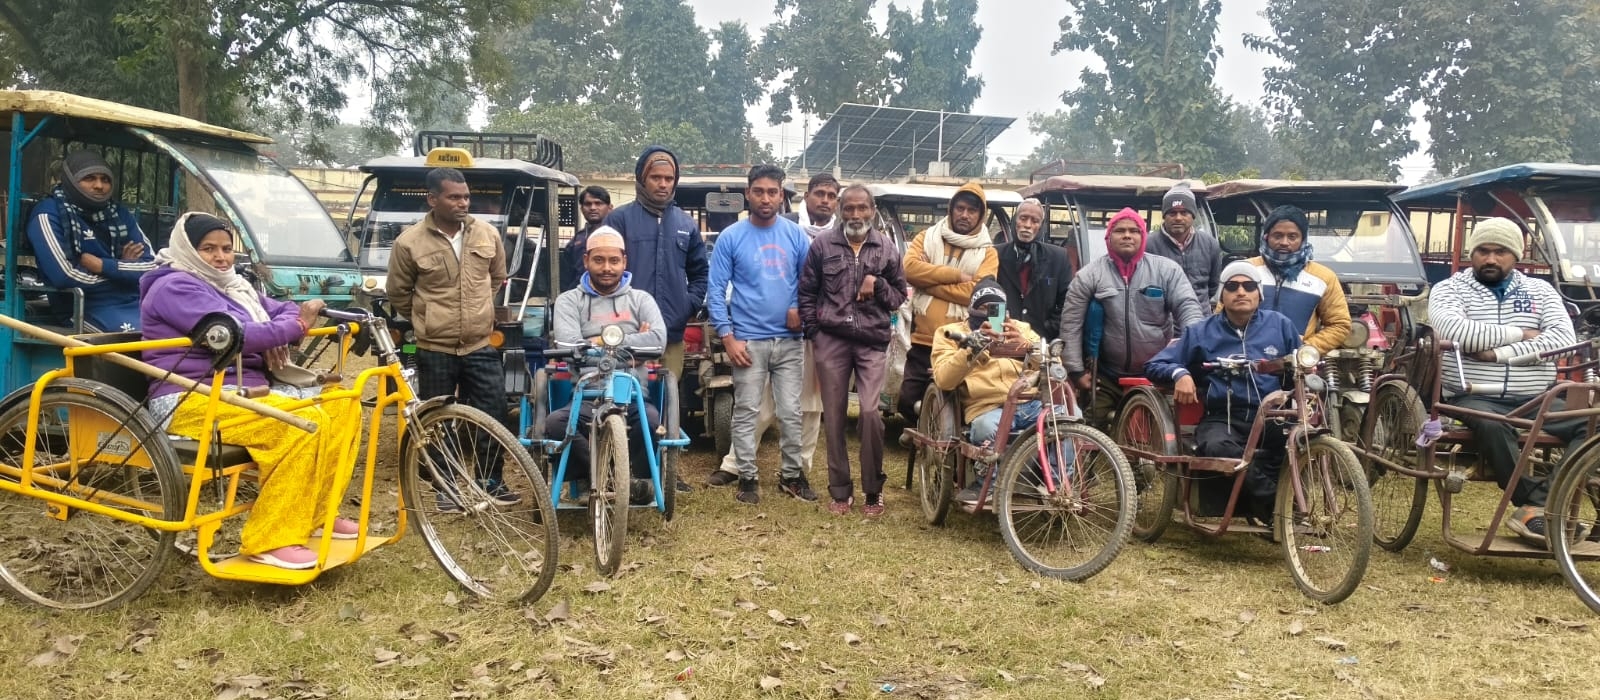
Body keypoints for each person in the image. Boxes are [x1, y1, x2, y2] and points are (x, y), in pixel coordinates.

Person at [140, 213, 360, 570]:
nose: (221, 257)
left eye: (227, 248)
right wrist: (294, 327)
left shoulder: (232, 285)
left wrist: (286, 324)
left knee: (342, 408)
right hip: (189, 397)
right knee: (297, 423)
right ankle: (270, 539)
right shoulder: (175, 286)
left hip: (242, 390)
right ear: (187, 250)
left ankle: (313, 514)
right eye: (208, 249)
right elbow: (236, 333)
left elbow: (283, 308)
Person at [1429, 217, 1585, 545]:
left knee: (1591, 423)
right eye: (1483, 251)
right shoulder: (1449, 289)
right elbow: (1454, 332)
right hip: (1472, 394)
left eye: (1500, 251)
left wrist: (1498, 354)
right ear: (1472, 254)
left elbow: (1562, 341)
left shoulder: (1540, 291)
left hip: (1533, 395)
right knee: (1493, 424)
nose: (1490, 259)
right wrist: (1524, 333)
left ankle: (1549, 500)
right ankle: (1535, 506)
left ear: (1516, 255)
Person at [385, 167, 518, 506]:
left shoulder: (487, 234)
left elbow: (496, 277)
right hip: (435, 346)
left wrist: (479, 310)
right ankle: (446, 487)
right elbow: (398, 293)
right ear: (433, 199)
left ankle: (490, 481)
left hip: (479, 344)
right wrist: (428, 316)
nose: (463, 203)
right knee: (438, 419)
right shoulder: (409, 242)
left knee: (494, 412)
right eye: (454, 197)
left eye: (466, 197)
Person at [705, 173, 836, 489]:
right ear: (748, 194)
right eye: (759, 192)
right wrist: (728, 337)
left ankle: (792, 476)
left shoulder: (794, 236)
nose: (766, 199)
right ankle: (746, 477)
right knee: (747, 410)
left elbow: (808, 281)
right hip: (748, 341)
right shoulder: (731, 237)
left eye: (773, 192)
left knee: (792, 411)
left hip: (790, 341)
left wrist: (796, 306)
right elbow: (716, 288)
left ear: (782, 197)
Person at [1145, 261, 1303, 518]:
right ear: (1222, 295)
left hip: (1271, 416)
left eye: (1249, 286)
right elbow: (1154, 364)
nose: (1241, 292)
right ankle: (1274, 504)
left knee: (1299, 439)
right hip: (1223, 418)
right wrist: (1180, 373)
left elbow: (1301, 365)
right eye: (1232, 286)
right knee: (1217, 447)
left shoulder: (1281, 325)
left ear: (1259, 293)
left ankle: (1268, 506)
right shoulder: (1200, 332)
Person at [797, 185, 907, 516]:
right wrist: (815, 333)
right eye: (849, 209)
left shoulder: (885, 248)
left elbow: (899, 296)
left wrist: (879, 284)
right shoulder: (822, 245)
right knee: (833, 417)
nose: (855, 215)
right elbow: (806, 293)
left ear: (872, 210)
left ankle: (873, 491)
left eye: (862, 208)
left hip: (872, 341)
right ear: (840, 211)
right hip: (831, 340)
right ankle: (840, 491)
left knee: (871, 414)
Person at [603, 146, 707, 493]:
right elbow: (603, 269)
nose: (663, 184)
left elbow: (700, 273)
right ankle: (618, 467)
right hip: (626, 334)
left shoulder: (685, 224)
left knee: (665, 400)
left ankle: (664, 470)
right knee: (625, 398)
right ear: (641, 179)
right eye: (656, 177)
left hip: (671, 334)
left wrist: (686, 306)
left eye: (669, 178)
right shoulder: (619, 220)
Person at [546, 227, 667, 506]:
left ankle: (639, 477)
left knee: (649, 422)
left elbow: (658, 341)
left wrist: (595, 341)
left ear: (625, 261)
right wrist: (632, 344)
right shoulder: (569, 301)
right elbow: (567, 345)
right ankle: (606, 475)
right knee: (555, 425)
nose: (607, 268)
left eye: (614, 261)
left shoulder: (641, 300)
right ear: (586, 260)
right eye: (599, 260)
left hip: (632, 392)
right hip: (587, 394)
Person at [1059, 207, 1203, 423]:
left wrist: (1191, 358)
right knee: (1091, 433)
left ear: (1143, 236)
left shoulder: (1167, 270)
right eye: (1120, 231)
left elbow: (1189, 309)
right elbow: (1070, 324)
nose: (1127, 235)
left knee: (1159, 436)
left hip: (1157, 372)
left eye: (1134, 231)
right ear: (1108, 237)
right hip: (1106, 375)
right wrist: (1076, 372)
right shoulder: (1089, 275)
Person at [929, 277, 1041, 505]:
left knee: (1070, 416)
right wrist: (971, 349)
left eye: (996, 309)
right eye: (982, 309)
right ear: (971, 309)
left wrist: (1028, 348)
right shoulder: (949, 333)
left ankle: (1059, 483)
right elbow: (944, 379)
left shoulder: (1021, 329)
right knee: (985, 427)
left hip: (1028, 401)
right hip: (986, 407)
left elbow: (1055, 362)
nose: (990, 315)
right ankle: (986, 484)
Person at [898, 182, 1000, 428]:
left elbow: (975, 294)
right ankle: (925, 433)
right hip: (922, 340)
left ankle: (937, 443)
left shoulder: (988, 252)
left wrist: (928, 283)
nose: (965, 215)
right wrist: (956, 275)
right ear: (951, 210)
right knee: (906, 399)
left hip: (961, 344)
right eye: (960, 208)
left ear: (980, 215)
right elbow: (908, 269)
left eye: (972, 211)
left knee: (957, 402)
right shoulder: (927, 237)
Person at [26, 150, 156, 332]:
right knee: (138, 340)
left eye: (105, 179)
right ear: (71, 181)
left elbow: (153, 267)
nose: (99, 186)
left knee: (178, 332)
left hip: (134, 300)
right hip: (83, 307)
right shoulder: (48, 214)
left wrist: (105, 266)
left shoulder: (119, 213)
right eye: (89, 179)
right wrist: (125, 272)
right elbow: (65, 276)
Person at [1246, 205, 1352, 354]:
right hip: (1247, 359)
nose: (1284, 242)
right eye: (1277, 235)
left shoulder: (1323, 277)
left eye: (1292, 236)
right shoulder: (1246, 270)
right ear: (1266, 236)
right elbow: (1222, 316)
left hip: (1296, 366)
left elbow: (1340, 324)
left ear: (1303, 239)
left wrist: (1306, 349)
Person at [995, 198, 1070, 340]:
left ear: (1041, 226)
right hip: (1003, 340)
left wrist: (1045, 331)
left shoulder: (1058, 257)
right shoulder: (995, 255)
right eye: (1023, 218)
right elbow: (989, 296)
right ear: (1014, 221)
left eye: (1035, 221)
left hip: (1040, 342)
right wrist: (998, 330)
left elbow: (1066, 303)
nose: (1028, 225)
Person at [1144, 182, 1222, 307]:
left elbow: (1213, 285)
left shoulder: (1210, 244)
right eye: (1172, 213)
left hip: (1199, 318)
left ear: (1193, 216)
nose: (1178, 218)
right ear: (1164, 216)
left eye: (1184, 212)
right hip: (1163, 321)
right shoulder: (1148, 245)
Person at [561, 185, 613, 292]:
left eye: (598, 203)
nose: (593, 208)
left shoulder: (618, 236)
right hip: (580, 298)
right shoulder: (577, 240)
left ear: (610, 208)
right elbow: (566, 276)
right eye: (588, 204)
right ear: (581, 209)